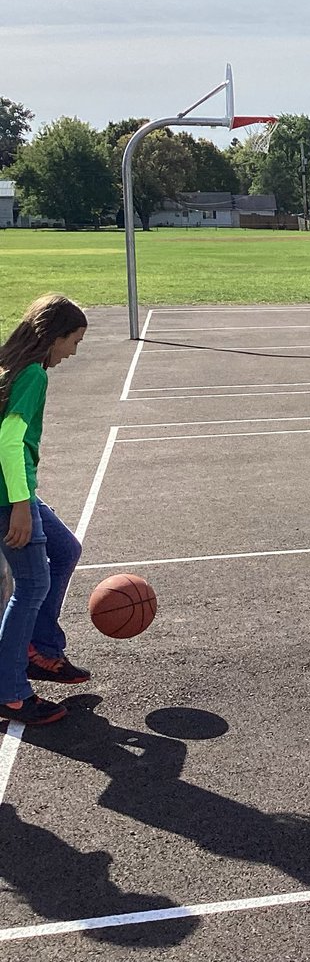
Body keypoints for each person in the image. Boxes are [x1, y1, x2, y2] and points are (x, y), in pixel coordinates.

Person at [1, 294, 91, 727]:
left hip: (17, 492)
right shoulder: (33, 375)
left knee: (66, 549)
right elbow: (9, 441)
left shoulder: (13, 364)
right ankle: (12, 693)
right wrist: (20, 505)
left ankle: (40, 650)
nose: (74, 351)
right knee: (31, 586)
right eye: (73, 340)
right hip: (9, 497)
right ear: (53, 337)